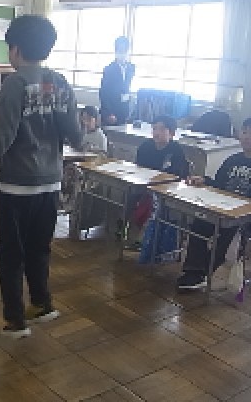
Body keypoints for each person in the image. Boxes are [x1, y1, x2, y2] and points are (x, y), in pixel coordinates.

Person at [0, 15, 82, 339]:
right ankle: (42, 303)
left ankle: (15, 320)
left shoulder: (14, 84)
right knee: (39, 246)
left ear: (15, 49)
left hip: (17, 185)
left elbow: (3, 137)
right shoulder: (60, 82)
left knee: (11, 253)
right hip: (50, 182)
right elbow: (75, 134)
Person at [177, 117, 251, 289]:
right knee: (199, 224)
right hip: (222, 207)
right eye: (245, 132)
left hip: (243, 216)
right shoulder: (232, 159)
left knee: (224, 233)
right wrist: (204, 180)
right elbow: (219, 183)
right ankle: (194, 270)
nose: (247, 137)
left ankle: (205, 272)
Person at [128, 115, 189, 245]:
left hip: (166, 189)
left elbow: (178, 175)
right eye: (154, 128)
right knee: (129, 195)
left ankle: (147, 238)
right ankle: (130, 231)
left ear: (171, 133)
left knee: (154, 204)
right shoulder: (146, 146)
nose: (156, 133)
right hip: (144, 185)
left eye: (161, 129)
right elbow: (138, 168)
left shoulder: (176, 150)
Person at [99, 36, 135, 126]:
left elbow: (126, 87)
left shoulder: (131, 68)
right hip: (111, 110)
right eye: (120, 50)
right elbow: (103, 93)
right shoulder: (109, 69)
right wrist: (108, 113)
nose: (122, 53)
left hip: (124, 109)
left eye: (124, 50)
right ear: (116, 51)